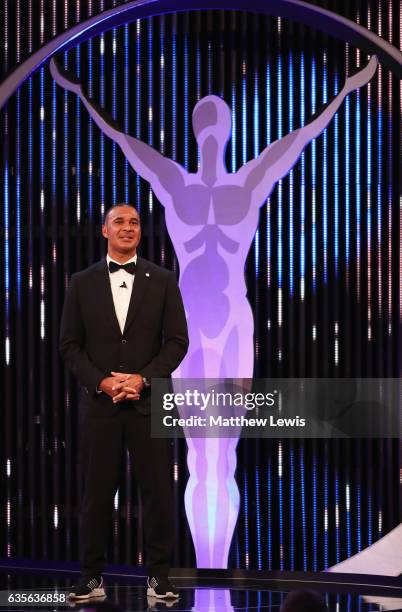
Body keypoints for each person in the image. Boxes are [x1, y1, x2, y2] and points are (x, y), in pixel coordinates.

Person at [51, 55, 378, 568]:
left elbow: (301, 137)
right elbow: (121, 140)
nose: (209, 131)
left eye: (214, 122)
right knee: (198, 457)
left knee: (222, 457)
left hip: (231, 322)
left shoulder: (247, 182)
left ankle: (215, 579)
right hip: (187, 325)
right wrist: (79, 93)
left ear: (223, 131)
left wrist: (346, 91)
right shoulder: (176, 181)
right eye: (203, 122)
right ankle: (207, 579)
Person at [59, 203, 189, 601]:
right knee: (97, 494)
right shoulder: (81, 282)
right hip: (100, 406)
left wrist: (142, 379)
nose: (128, 228)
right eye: (119, 222)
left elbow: (177, 341)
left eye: (134, 222)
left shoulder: (164, 279)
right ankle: (92, 577)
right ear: (104, 231)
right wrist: (102, 382)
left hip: (149, 404)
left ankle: (159, 577)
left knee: (157, 494)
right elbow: (69, 346)